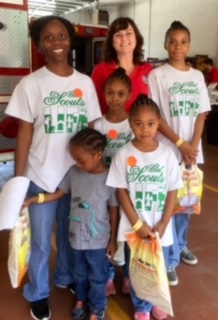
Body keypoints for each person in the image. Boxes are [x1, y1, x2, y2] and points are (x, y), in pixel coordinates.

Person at [5, 16, 101, 320]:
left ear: (70, 40)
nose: (57, 42)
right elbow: (24, 133)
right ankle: (38, 293)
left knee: (74, 237)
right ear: (39, 44)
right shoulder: (31, 84)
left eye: (62, 36)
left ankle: (65, 277)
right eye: (48, 37)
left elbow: (91, 130)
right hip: (41, 176)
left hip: (76, 177)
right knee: (42, 243)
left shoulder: (84, 83)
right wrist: (20, 180)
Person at [24, 128, 119, 320]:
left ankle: (97, 307)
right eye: (75, 160)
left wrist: (113, 240)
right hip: (76, 241)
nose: (78, 164)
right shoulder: (74, 173)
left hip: (98, 242)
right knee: (80, 275)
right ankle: (81, 300)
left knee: (98, 277)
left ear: (99, 155)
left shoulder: (110, 179)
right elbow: (58, 194)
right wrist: (34, 199)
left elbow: (114, 210)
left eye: (81, 160)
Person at [106, 94, 183, 320]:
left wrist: (164, 222)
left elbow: (172, 191)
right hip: (135, 228)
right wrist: (138, 224)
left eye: (151, 124)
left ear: (159, 123)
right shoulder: (124, 154)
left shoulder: (167, 155)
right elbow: (121, 191)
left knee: (158, 267)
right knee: (137, 269)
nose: (145, 130)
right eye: (139, 124)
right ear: (130, 123)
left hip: (160, 227)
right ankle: (141, 306)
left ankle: (156, 300)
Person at [148, 21, 211, 286]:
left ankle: (181, 245)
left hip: (190, 153)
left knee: (185, 203)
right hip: (167, 150)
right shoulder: (157, 76)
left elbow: (201, 113)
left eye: (183, 41)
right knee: (169, 206)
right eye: (172, 41)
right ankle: (170, 257)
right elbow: (156, 115)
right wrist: (180, 144)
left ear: (189, 45)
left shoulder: (197, 76)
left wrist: (193, 147)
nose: (177, 47)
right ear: (165, 44)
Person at [94, 67, 133, 296]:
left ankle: (128, 274)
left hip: (127, 190)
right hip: (103, 188)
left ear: (129, 95)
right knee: (105, 230)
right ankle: (107, 274)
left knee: (126, 231)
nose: (115, 98)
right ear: (104, 93)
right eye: (110, 93)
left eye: (121, 94)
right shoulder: (98, 124)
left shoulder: (133, 125)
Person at [91, 17, 153, 114]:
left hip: (140, 129)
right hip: (109, 128)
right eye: (118, 35)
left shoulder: (148, 70)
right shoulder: (101, 70)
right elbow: (92, 107)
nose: (124, 38)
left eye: (129, 33)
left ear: (136, 38)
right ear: (112, 41)